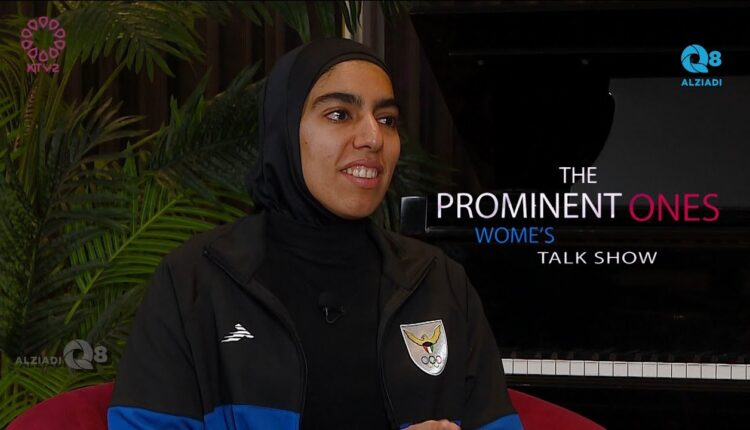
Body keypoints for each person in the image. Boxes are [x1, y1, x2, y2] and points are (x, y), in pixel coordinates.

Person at [108, 37, 521, 430]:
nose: (373, 137)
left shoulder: (440, 281)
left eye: (387, 120)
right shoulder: (193, 281)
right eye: (339, 114)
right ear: (285, 129)